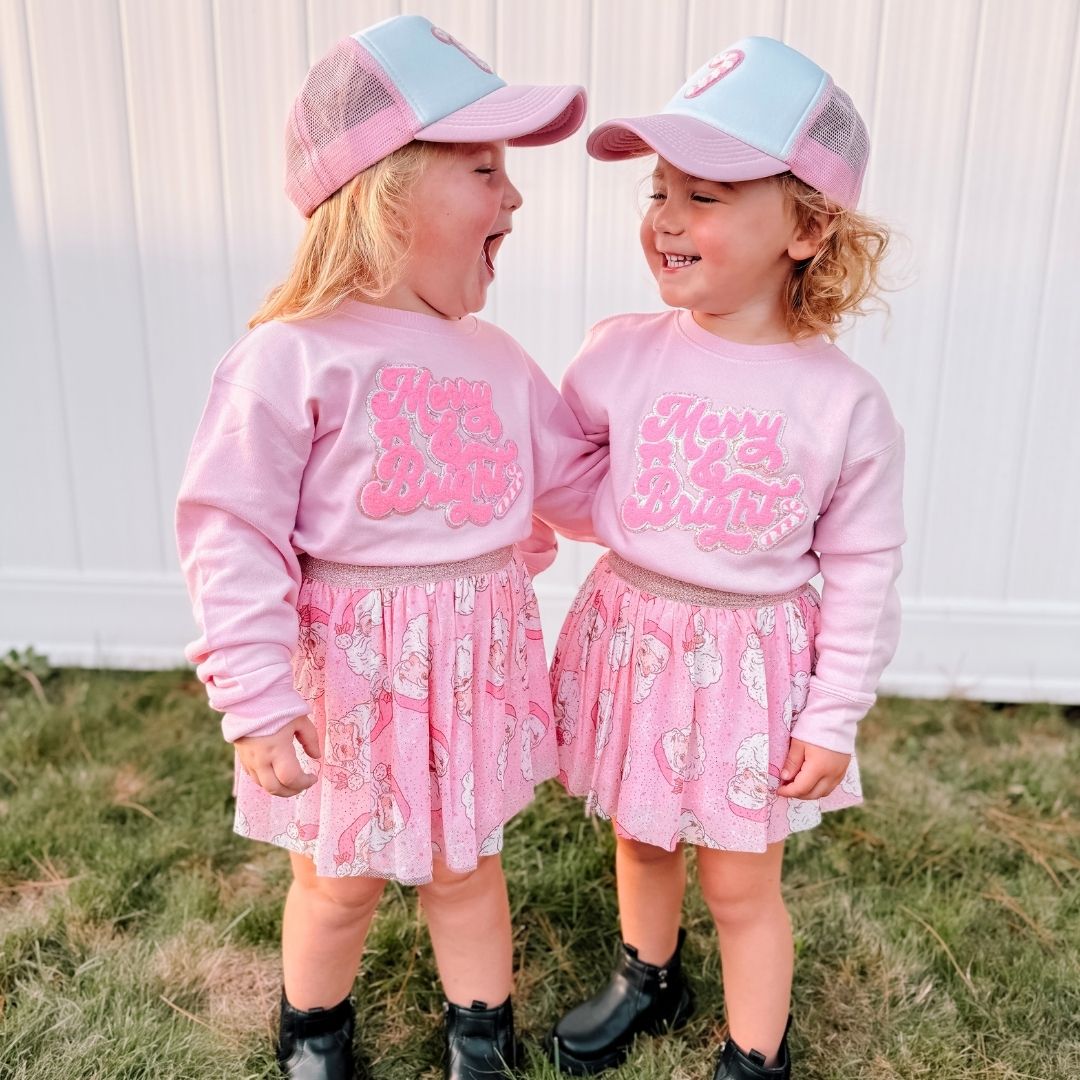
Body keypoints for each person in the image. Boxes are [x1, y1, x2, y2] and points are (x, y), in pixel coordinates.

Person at [175, 15, 600, 1080]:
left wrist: (695, 484)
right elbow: (234, 531)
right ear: (387, 193)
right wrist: (255, 695)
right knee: (338, 877)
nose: (515, 197)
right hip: (353, 681)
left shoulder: (497, 358)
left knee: (467, 865)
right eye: (486, 170)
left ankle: (480, 1035)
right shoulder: (291, 357)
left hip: (468, 674)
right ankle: (314, 1032)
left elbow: (577, 484)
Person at [545, 36, 904, 1080]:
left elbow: (865, 569)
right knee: (642, 836)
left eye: (702, 195)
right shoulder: (620, 351)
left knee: (740, 882)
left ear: (807, 227)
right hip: (638, 638)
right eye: (659, 191)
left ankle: (756, 1054)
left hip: (751, 668)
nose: (665, 217)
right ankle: (647, 974)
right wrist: (603, 506)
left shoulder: (841, 403)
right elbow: (567, 473)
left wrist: (832, 715)